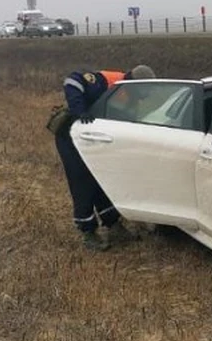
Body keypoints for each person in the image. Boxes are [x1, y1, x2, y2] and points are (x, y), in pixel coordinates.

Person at [55, 64, 156, 250]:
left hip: (97, 139)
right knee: (82, 182)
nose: (144, 95)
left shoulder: (131, 98)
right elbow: (72, 81)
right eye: (143, 90)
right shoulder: (107, 82)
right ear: (134, 82)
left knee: (102, 179)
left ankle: (112, 222)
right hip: (73, 136)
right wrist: (80, 111)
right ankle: (88, 232)